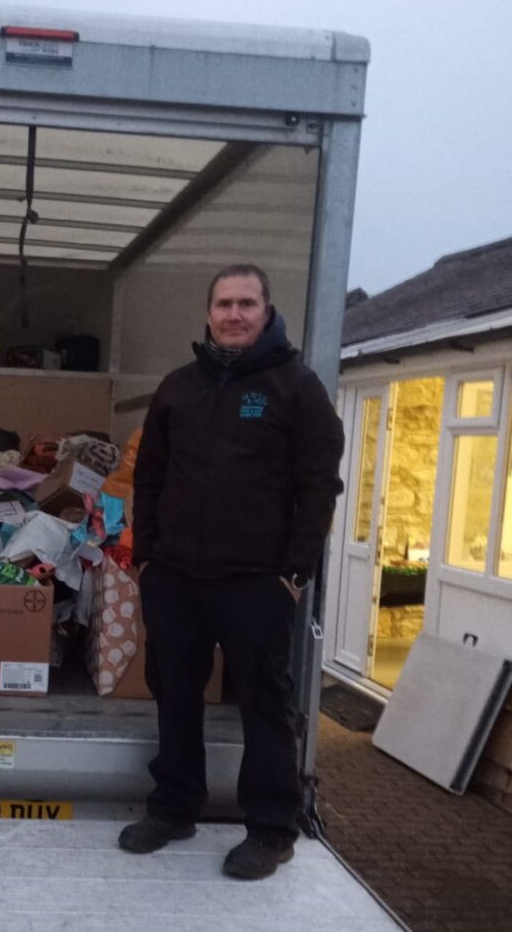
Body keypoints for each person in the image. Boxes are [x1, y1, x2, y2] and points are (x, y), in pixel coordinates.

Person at [118, 263, 344, 880]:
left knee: (265, 706)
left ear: (267, 312)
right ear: (208, 313)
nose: (234, 314)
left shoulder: (296, 388)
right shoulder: (178, 387)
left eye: (247, 303)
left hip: (257, 582)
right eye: (224, 303)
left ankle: (272, 829)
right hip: (176, 579)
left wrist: (295, 572)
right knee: (176, 695)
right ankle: (173, 808)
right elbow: (150, 475)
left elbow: (319, 483)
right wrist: (146, 557)